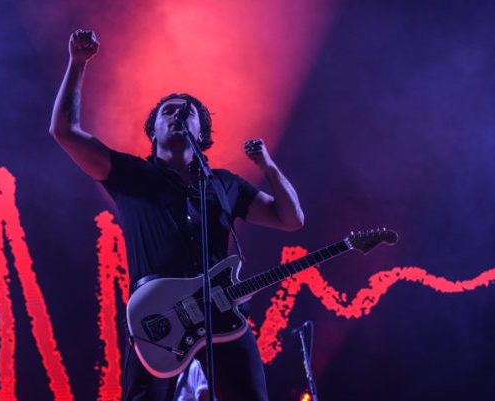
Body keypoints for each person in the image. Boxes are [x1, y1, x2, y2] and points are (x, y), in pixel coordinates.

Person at [49, 29, 304, 401]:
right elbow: (64, 131)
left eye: (188, 112)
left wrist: (268, 166)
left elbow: (291, 219)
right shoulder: (133, 175)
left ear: (202, 133)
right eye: (168, 110)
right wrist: (77, 64)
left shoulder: (224, 184)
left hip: (223, 316)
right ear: (153, 131)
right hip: (158, 320)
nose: (178, 114)